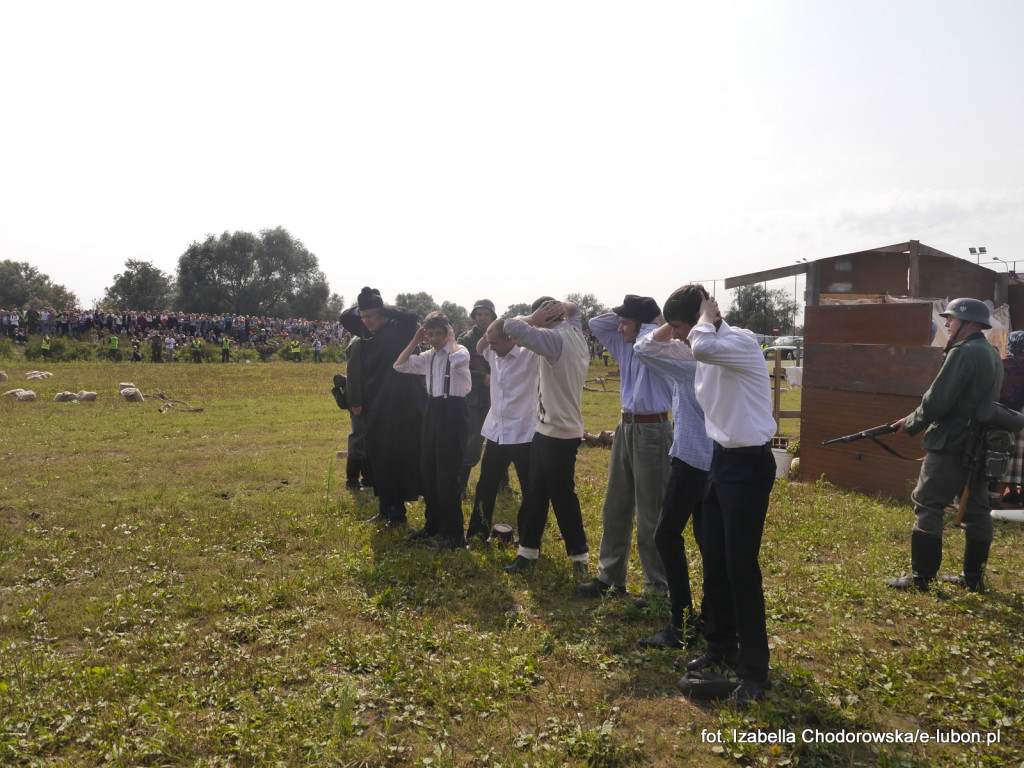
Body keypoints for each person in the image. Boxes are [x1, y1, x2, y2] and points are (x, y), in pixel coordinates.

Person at [672, 285, 778, 707]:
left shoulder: (738, 343)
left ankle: (754, 674)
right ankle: (721, 645)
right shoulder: (706, 344)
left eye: (679, 326)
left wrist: (703, 318)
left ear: (702, 319)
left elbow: (702, 345)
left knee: (741, 570)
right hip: (721, 461)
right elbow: (652, 347)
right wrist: (689, 323)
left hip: (748, 466)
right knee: (714, 558)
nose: (677, 336)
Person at [886, 298, 1002, 593]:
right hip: (979, 445)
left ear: (968, 323)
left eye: (951, 318)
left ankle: (921, 578)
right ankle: (973, 578)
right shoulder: (990, 352)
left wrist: (911, 422)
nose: (947, 323)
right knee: (977, 510)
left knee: (927, 502)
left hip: (953, 442)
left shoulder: (963, 352)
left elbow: (937, 400)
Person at [576, 296, 673, 607]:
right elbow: (596, 323)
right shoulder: (624, 343)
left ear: (641, 325)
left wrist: (651, 324)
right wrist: (635, 318)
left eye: (625, 322)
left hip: (653, 430)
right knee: (615, 506)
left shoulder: (656, 343)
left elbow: (648, 337)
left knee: (650, 512)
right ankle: (610, 579)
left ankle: (657, 587)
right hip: (626, 427)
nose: (619, 328)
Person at [632, 306, 715, 649]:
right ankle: (710, 619)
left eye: (678, 326)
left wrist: (669, 324)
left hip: (692, 459)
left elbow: (643, 348)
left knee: (666, 535)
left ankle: (680, 623)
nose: (675, 334)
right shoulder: (717, 352)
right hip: (714, 461)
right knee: (708, 543)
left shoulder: (690, 363)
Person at [502, 298, 590, 575]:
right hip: (549, 430)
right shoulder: (575, 330)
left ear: (545, 317)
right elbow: (575, 308)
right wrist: (564, 306)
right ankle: (527, 551)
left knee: (562, 497)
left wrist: (532, 318)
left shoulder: (554, 339)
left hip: (558, 433)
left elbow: (510, 326)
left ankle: (579, 557)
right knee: (535, 493)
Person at [394, 311, 472, 549]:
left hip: (453, 410)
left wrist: (452, 339)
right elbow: (400, 365)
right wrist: (415, 341)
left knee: (447, 474)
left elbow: (457, 362)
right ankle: (433, 525)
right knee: (429, 470)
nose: (435, 339)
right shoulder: (428, 355)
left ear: (447, 332)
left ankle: (453, 535)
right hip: (433, 409)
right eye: (431, 334)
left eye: (439, 334)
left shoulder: (459, 350)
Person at [357, 287, 427, 531]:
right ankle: (385, 508)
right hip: (377, 403)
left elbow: (410, 315)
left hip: (402, 405)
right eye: (363, 317)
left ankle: (397, 516)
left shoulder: (400, 331)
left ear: (383, 314)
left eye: (371, 316)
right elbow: (346, 317)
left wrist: (384, 307)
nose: (366, 321)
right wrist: (369, 304)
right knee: (378, 455)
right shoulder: (368, 335)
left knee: (395, 457)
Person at [466, 317, 540, 543]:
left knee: (530, 489)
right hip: (496, 432)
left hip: (523, 433)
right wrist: (492, 333)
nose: (490, 347)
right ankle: (477, 535)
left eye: (495, 342)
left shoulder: (531, 355)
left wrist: (529, 320)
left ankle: (527, 539)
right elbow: (479, 347)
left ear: (511, 339)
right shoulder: (493, 353)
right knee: (485, 486)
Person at [458, 299, 498, 496]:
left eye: (486, 314)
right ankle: (460, 485)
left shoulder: (500, 334)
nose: (482, 318)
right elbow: (458, 366)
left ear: (492, 316)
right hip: (475, 397)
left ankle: (501, 483)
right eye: (479, 314)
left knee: (499, 440)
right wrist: (482, 378)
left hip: (498, 395)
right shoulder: (465, 340)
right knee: (472, 441)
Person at [996, 330, 1024, 506]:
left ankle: (997, 500)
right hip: (1018, 419)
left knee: (1005, 458)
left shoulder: (1001, 364)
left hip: (1006, 418)